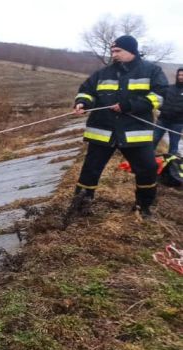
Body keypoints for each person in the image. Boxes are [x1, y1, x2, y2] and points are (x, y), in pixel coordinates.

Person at [72, 35, 168, 220]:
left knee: (147, 169)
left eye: (118, 51)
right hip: (102, 131)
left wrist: (131, 105)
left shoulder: (152, 71)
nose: (114, 55)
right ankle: (80, 206)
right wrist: (82, 103)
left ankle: (144, 207)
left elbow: (160, 96)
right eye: (112, 51)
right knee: (90, 170)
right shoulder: (102, 73)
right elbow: (86, 90)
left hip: (135, 132)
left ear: (131, 51)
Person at [153, 68, 183, 155]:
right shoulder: (169, 88)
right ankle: (148, 161)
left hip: (177, 123)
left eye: (182, 75)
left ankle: (171, 165)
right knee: (153, 140)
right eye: (179, 75)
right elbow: (158, 100)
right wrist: (161, 109)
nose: (181, 77)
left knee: (174, 146)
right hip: (162, 120)